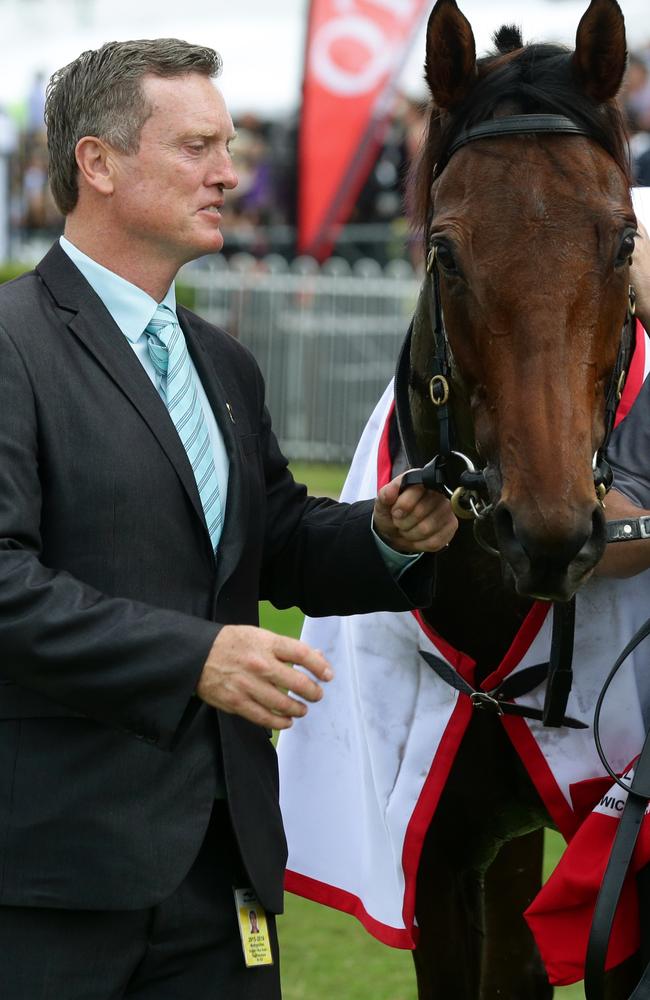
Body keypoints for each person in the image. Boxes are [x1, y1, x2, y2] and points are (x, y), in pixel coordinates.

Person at [0, 39, 457, 1000]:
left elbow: (277, 539)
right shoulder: (11, 349)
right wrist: (194, 658)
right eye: (198, 147)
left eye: (230, 146)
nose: (230, 174)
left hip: (226, 865)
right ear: (98, 163)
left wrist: (386, 533)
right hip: (52, 879)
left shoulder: (222, 363)